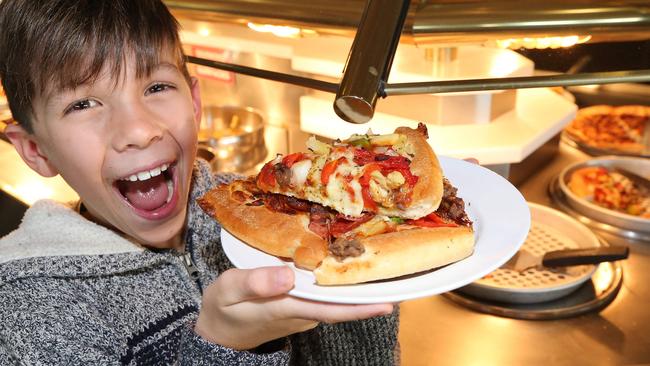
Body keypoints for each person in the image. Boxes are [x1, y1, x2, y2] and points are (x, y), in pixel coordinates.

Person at [0, 0, 399, 364]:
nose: (139, 130)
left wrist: (372, 253)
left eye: (156, 87)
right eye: (82, 104)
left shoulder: (262, 213)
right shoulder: (28, 304)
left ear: (194, 103)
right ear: (36, 150)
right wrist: (223, 345)